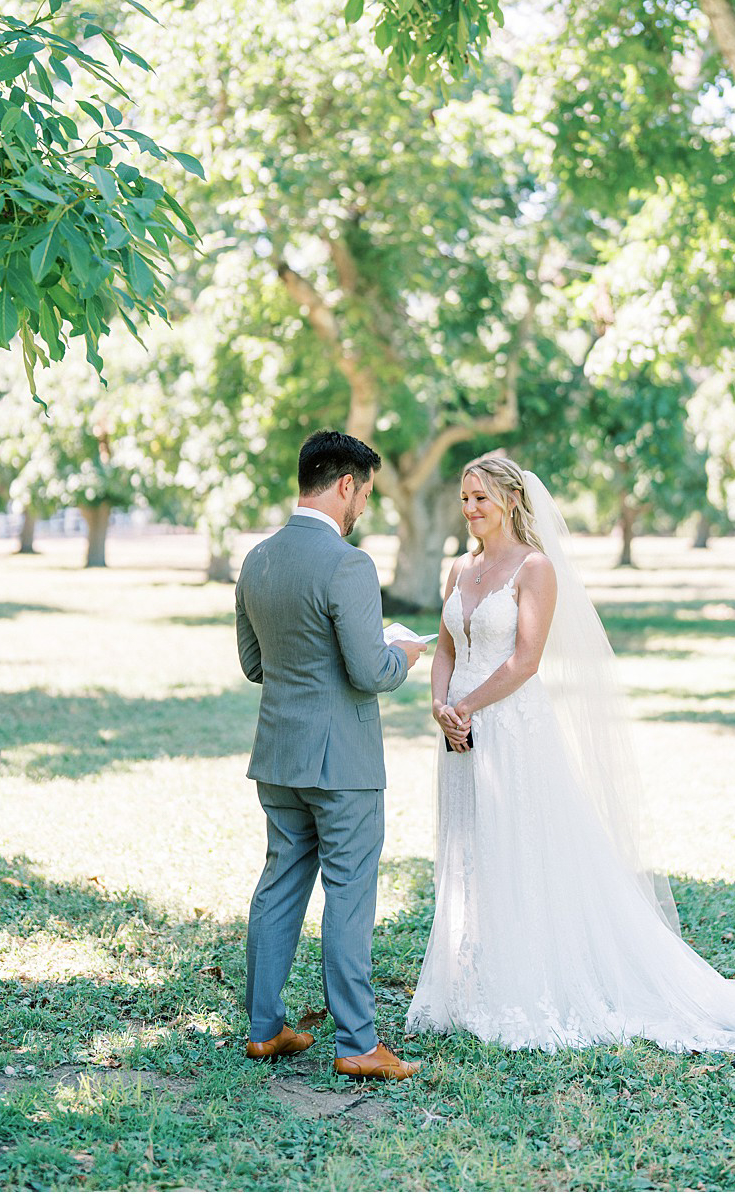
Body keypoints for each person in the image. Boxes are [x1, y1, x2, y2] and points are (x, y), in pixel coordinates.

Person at [406, 454, 735, 1058]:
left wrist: (469, 705)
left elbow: (525, 661)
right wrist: (440, 703)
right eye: (465, 497)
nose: (472, 508)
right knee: (471, 846)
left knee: (519, 846)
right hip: (460, 728)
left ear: (509, 500)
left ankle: (527, 985)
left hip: (510, 725)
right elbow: (446, 645)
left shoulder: (534, 568)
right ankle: (473, 982)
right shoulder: (459, 568)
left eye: (482, 497)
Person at [237, 429, 426, 1080]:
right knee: (348, 893)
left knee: (279, 883)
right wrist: (404, 651)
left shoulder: (257, 559)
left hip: (278, 753)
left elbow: (252, 663)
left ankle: (264, 1031)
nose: (363, 508)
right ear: (345, 484)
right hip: (340, 760)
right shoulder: (348, 564)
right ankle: (357, 1045)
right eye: (364, 494)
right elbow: (370, 671)